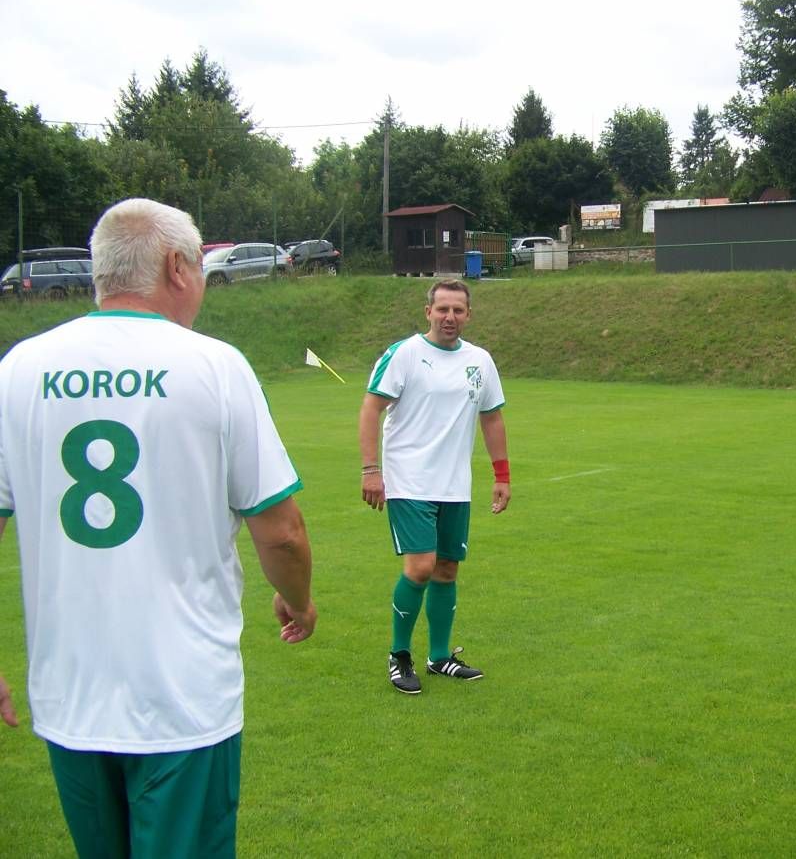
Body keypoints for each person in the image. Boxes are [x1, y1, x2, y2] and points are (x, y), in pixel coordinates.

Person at [0, 198, 317, 858]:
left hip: (69, 697)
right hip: (182, 698)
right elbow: (281, 531)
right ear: (177, 267)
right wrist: (299, 600)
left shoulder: (19, 369)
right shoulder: (214, 366)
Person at [359, 279, 509, 696]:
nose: (449, 317)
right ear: (428, 312)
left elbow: (492, 418)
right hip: (409, 480)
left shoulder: (480, 360)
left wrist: (502, 476)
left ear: (468, 315)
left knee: (447, 569)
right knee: (421, 567)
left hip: (455, 485)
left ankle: (440, 656)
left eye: (458, 310)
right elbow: (371, 407)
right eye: (442, 309)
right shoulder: (404, 353)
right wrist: (370, 470)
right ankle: (399, 655)